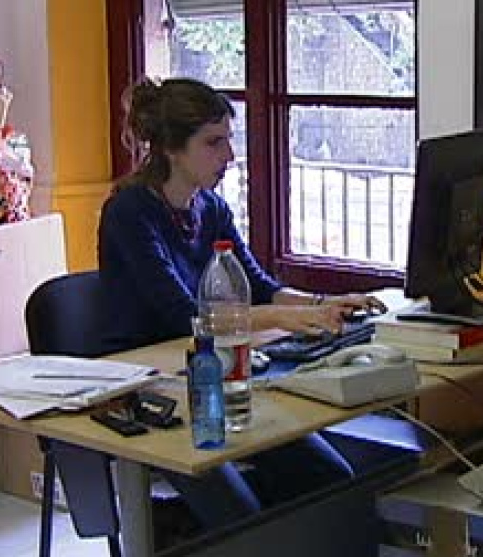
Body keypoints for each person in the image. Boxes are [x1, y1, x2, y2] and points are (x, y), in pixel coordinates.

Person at [97, 77, 386, 530]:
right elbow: (188, 316)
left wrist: (326, 303)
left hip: (214, 377)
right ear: (172, 149)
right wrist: (294, 317)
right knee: (243, 520)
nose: (229, 156)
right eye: (213, 143)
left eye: (228, 141)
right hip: (153, 393)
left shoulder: (210, 207)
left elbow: (260, 286)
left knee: (331, 482)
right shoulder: (129, 212)